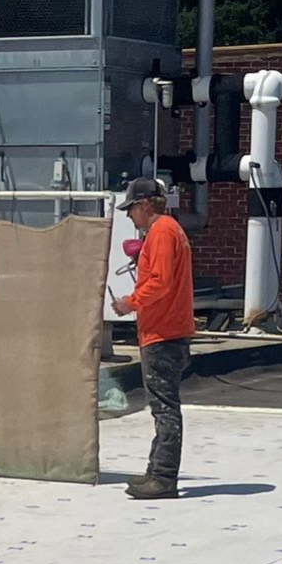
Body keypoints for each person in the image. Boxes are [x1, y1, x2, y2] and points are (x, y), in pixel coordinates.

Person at [110, 176, 193, 500]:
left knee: (164, 407)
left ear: (145, 205)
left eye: (131, 209)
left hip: (163, 333)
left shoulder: (160, 232)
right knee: (164, 405)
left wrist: (128, 302)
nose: (129, 216)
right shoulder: (169, 231)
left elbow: (159, 282)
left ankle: (163, 477)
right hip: (171, 330)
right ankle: (156, 471)